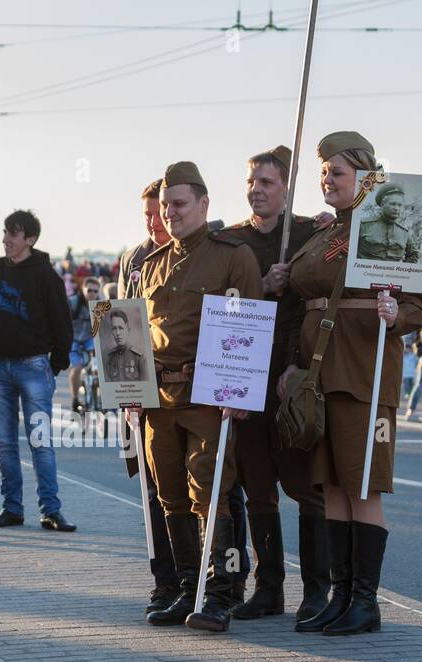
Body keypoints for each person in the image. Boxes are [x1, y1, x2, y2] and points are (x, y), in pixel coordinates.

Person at [279, 131, 422, 636]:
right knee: (333, 487)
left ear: (366, 178)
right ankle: (341, 596)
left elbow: (416, 308)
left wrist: (394, 312)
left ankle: (365, 602)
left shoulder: (389, 228)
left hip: (363, 370)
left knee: (362, 486)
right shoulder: (329, 231)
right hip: (322, 373)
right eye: (322, 171)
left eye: (336, 171)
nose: (326, 179)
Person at [140, 160, 263, 632]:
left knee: (209, 492)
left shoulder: (233, 256)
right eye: (166, 205)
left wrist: (240, 392)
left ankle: (218, 594)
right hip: (158, 399)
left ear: (204, 204)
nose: (171, 213)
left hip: (208, 396)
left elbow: (250, 325)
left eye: (180, 204)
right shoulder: (151, 264)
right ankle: (186, 589)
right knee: (169, 495)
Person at [218, 145, 332, 624]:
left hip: (290, 378)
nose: (256, 190)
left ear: (287, 186)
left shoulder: (307, 232)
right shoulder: (228, 242)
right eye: (252, 182)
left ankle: (316, 591)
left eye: (266, 182)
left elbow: (322, 291)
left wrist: (333, 225)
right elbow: (216, 307)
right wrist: (260, 286)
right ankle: (268, 589)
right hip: (243, 375)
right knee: (258, 487)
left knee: (306, 487)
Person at [0, 209, 76, 532]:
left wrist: (54, 365)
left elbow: (62, 324)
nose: (6, 239)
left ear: (30, 239)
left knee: (40, 441)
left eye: (13, 234)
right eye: (5, 232)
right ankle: (12, 508)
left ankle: (51, 510)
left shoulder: (46, 276)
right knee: (4, 443)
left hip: (34, 368)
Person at [119, 179, 181, 613]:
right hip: (141, 384)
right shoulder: (133, 258)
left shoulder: (192, 252)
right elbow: (120, 319)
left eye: (157, 211)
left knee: (194, 487)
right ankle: (164, 579)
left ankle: (213, 579)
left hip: (182, 386)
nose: (153, 221)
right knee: (152, 487)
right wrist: (126, 390)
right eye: (146, 214)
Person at [355, 183, 419, 263]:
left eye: (399, 205)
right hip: (364, 273)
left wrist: (403, 271)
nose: (396, 208)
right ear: (382, 204)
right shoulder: (363, 225)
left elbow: (414, 254)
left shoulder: (404, 232)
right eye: (393, 204)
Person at [69, 276, 100, 411]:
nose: (92, 293)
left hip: (89, 339)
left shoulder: (101, 304)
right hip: (73, 338)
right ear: (83, 290)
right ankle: (75, 398)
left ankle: (97, 392)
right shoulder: (73, 303)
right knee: (77, 367)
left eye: (95, 291)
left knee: (98, 365)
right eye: (89, 290)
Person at [102, 307, 147, 381]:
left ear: (128, 330)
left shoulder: (139, 357)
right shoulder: (109, 358)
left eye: (121, 328)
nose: (118, 333)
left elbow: (147, 386)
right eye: (114, 328)